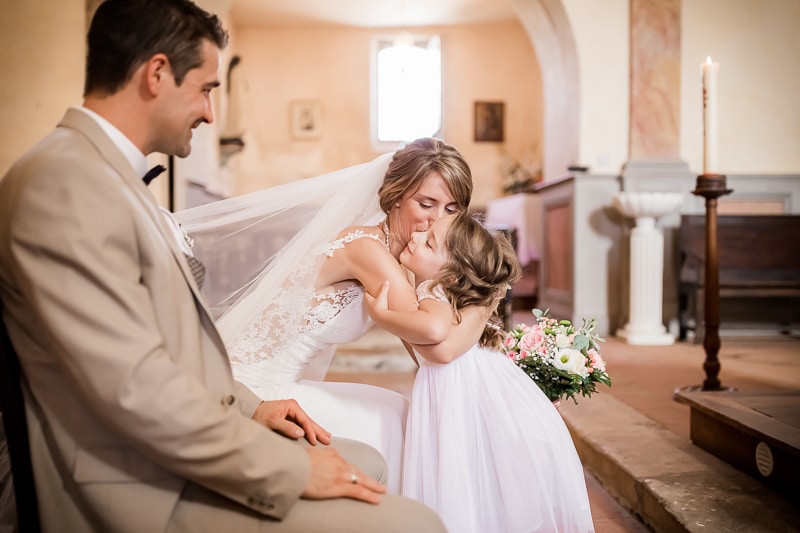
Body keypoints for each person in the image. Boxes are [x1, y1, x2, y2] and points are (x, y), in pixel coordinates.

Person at [0, 0, 447, 531]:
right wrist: (285, 467)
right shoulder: (65, 186)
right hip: (128, 483)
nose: (211, 113)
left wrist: (251, 407)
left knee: (367, 460)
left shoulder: (105, 178)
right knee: (415, 523)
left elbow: (162, 352)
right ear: (157, 74)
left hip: (168, 438)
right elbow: (135, 389)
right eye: (207, 89)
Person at [176, 137, 479, 493]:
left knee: (397, 408)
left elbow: (421, 350)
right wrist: (487, 301)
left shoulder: (403, 259)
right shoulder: (369, 252)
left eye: (451, 209)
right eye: (426, 203)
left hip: (283, 380)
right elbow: (436, 350)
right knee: (395, 419)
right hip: (258, 387)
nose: (436, 220)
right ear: (397, 195)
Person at [366, 212, 596, 533]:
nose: (416, 237)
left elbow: (432, 332)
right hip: (477, 380)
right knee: (477, 468)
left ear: (452, 274)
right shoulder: (443, 289)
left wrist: (382, 315)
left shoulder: (433, 288)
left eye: (429, 243)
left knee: (455, 463)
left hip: (457, 387)